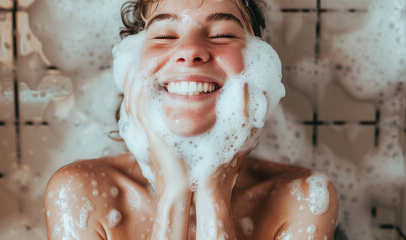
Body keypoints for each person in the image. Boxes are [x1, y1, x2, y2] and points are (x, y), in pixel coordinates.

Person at [44, 0, 339, 239]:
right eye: (164, 36)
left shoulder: (303, 199)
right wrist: (174, 195)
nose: (190, 50)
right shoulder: (80, 194)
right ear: (133, 67)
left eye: (222, 33)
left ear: (256, 64)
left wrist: (214, 198)